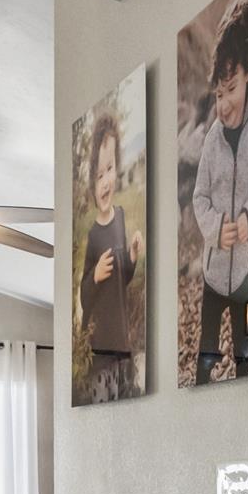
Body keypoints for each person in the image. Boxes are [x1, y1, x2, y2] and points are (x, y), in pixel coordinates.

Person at [188, 0, 248, 382]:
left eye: (231, 89)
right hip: (212, 272)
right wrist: (214, 227)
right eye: (218, 94)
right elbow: (199, 197)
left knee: (244, 348)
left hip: (242, 269)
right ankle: (202, 382)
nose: (223, 104)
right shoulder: (211, 140)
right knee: (207, 350)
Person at [78, 110, 144, 399]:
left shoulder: (120, 217)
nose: (106, 181)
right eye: (99, 174)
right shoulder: (93, 236)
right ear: (92, 180)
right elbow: (83, 293)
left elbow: (123, 279)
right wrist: (94, 276)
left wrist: (130, 256)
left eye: (110, 169)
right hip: (101, 345)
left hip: (122, 340)